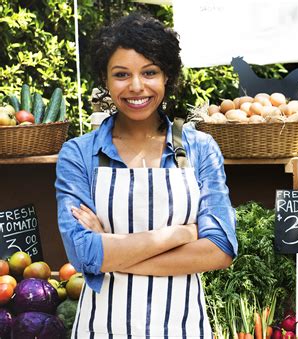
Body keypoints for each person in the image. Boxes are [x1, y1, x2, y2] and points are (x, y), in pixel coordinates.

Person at [55, 12, 237, 338]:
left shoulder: (199, 148)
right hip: (102, 328)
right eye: (121, 74)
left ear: (167, 75)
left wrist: (109, 254)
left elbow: (220, 249)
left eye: (149, 72)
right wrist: (182, 234)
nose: (137, 86)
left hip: (182, 327)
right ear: (105, 80)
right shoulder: (79, 154)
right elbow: (82, 254)